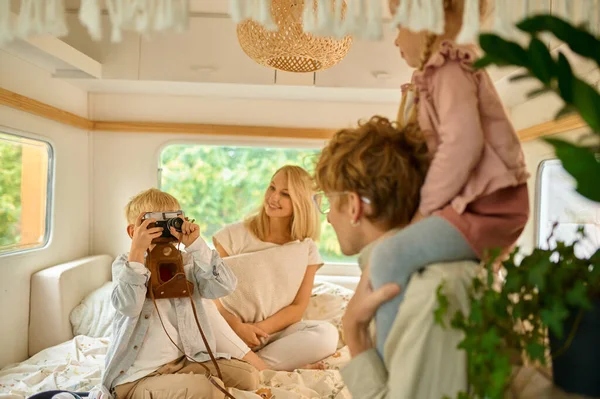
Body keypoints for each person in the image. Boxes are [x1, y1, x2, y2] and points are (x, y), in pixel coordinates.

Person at [369, 0, 530, 356]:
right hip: (478, 204)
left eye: (398, 26)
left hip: (487, 208)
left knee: (387, 258)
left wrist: (425, 211)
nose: (395, 41)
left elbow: (463, 144)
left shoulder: (448, 68)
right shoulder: (435, 75)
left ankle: (390, 366)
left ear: (422, 20)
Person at [314, 115, 470, 398]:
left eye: (327, 201)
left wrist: (355, 334)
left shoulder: (432, 293)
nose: (327, 220)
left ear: (352, 206)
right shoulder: (405, 276)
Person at [90, 188, 259, 399]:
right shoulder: (126, 264)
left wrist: (196, 245)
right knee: (210, 389)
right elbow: (129, 306)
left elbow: (225, 286)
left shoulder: (188, 262)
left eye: (169, 223)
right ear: (133, 231)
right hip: (139, 376)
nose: (163, 231)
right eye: (154, 225)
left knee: (250, 377)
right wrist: (137, 253)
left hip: (185, 362)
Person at [210, 165, 339, 372]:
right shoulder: (232, 236)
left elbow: (298, 307)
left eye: (285, 194)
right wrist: (238, 328)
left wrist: (257, 331)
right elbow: (211, 295)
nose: (273, 197)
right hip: (229, 328)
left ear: (301, 202)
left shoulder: (306, 248)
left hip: (274, 333)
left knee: (326, 335)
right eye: (272, 187)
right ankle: (264, 369)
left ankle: (249, 366)